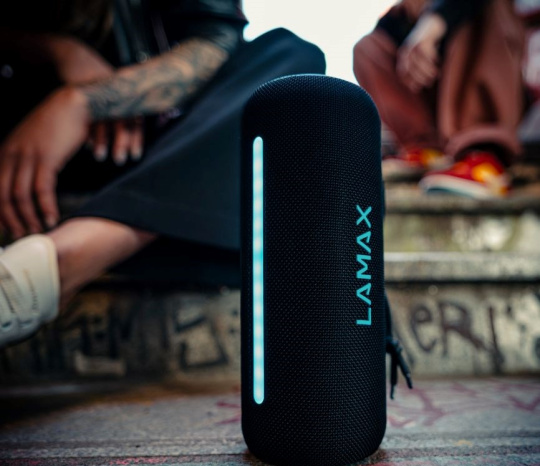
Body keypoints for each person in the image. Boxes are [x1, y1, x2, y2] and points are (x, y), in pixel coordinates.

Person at [0, 0, 326, 348]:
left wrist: (88, 100)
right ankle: (44, 270)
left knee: (292, 67)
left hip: (167, 152)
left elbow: (215, 40)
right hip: (37, 135)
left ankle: (56, 264)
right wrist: (57, 51)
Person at [353, 0, 527, 198]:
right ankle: (427, 149)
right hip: (438, 102)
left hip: (498, 78)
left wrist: (436, 20)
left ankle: (484, 153)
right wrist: (416, 31)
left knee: (487, 7)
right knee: (368, 47)